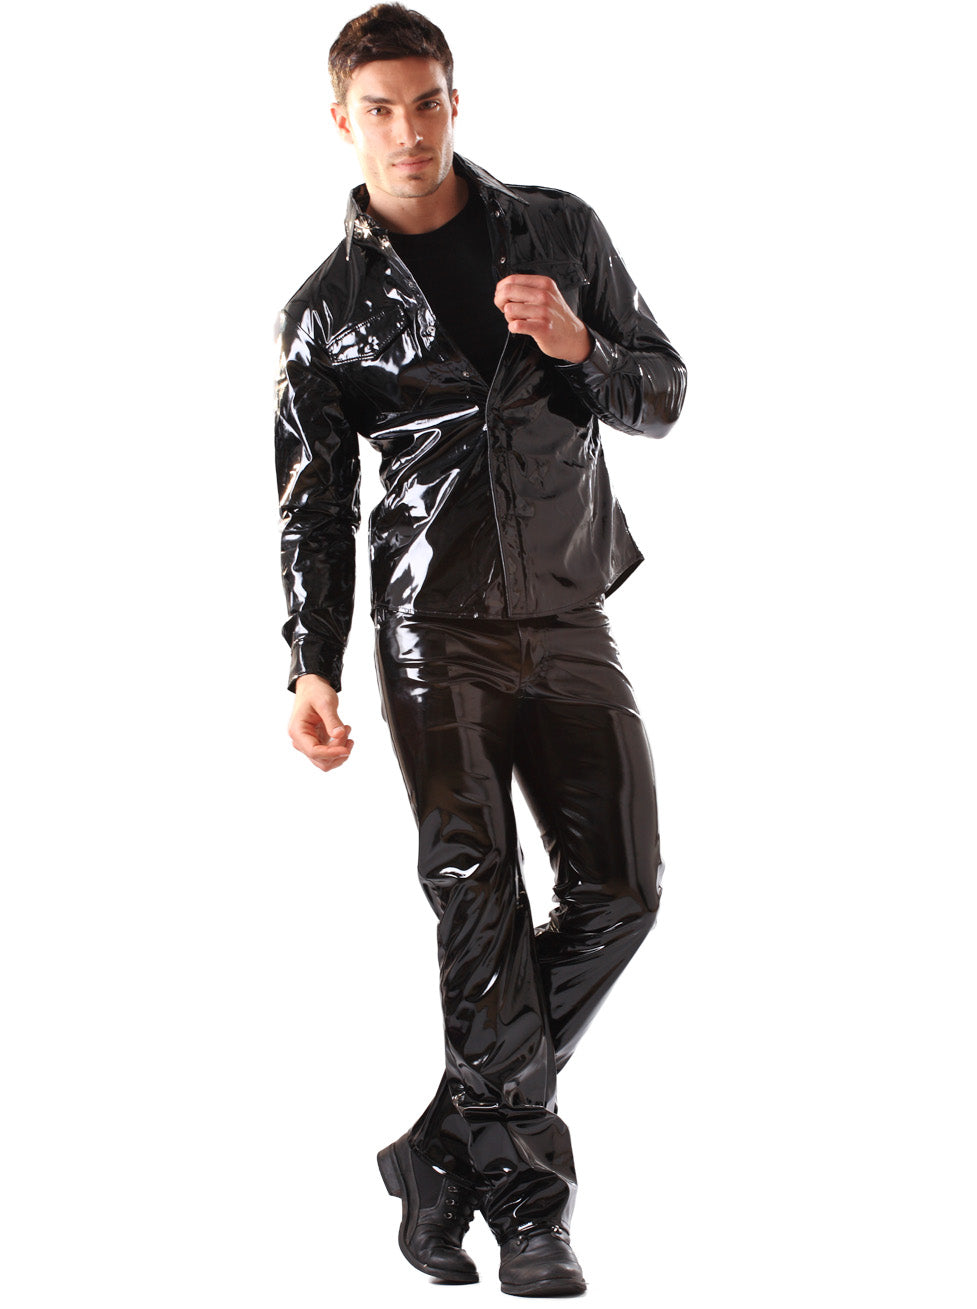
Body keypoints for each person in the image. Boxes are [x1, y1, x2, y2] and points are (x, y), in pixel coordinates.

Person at [274, 4, 686, 1296]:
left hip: (568, 613)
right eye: (379, 109)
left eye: (427, 101)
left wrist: (578, 346)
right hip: (430, 636)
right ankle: (525, 1203)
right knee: (476, 893)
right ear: (341, 122)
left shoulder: (557, 231)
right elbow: (311, 506)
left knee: (622, 891)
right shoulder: (324, 314)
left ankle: (441, 1144)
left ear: (457, 100)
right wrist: (310, 662)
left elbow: (663, 391)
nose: (407, 130)